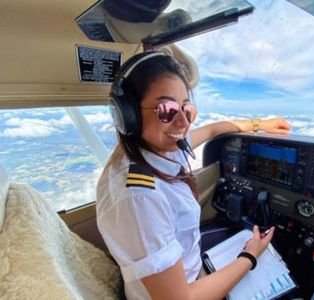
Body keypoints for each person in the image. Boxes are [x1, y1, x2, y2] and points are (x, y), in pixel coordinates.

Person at [96, 50, 291, 300]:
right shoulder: (140, 197)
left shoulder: (149, 148)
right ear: (128, 115)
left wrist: (259, 124)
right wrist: (250, 256)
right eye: (166, 109)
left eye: (187, 108)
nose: (183, 123)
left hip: (183, 271)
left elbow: (210, 131)